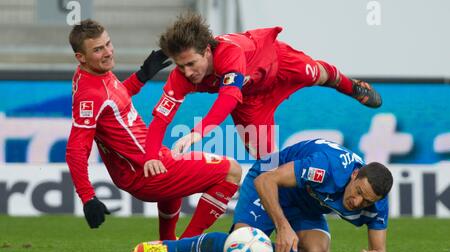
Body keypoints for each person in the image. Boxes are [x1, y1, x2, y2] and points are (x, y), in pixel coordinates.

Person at [143, 12, 383, 177]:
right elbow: (161, 118)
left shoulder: (230, 53)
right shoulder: (181, 77)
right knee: (268, 162)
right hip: (249, 100)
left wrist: (197, 132)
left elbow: (227, 98)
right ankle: (288, 214)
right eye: (180, 65)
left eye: (191, 63)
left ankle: (353, 87)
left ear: (207, 51)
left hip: (278, 64)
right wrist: (151, 156)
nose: (187, 72)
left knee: (318, 75)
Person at [66, 19, 242, 240]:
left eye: (108, 44)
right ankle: (185, 246)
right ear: (80, 57)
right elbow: (76, 149)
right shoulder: (89, 95)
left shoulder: (96, 74)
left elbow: (115, 99)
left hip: (148, 161)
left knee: (174, 170)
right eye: (98, 49)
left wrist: (142, 76)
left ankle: (166, 243)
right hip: (143, 171)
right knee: (232, 170)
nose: (108, 52)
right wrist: (88, 198)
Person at [131, 138, 393, 252]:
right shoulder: (326, 167)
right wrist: (282, 226)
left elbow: (378, 250)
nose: (357, 202)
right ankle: (170, 247)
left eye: (366, 201)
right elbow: (266, 180)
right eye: (358, 192)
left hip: (304, 202)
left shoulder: (375, 200)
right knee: (241, 246)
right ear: (355, 174)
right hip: (268, 180)